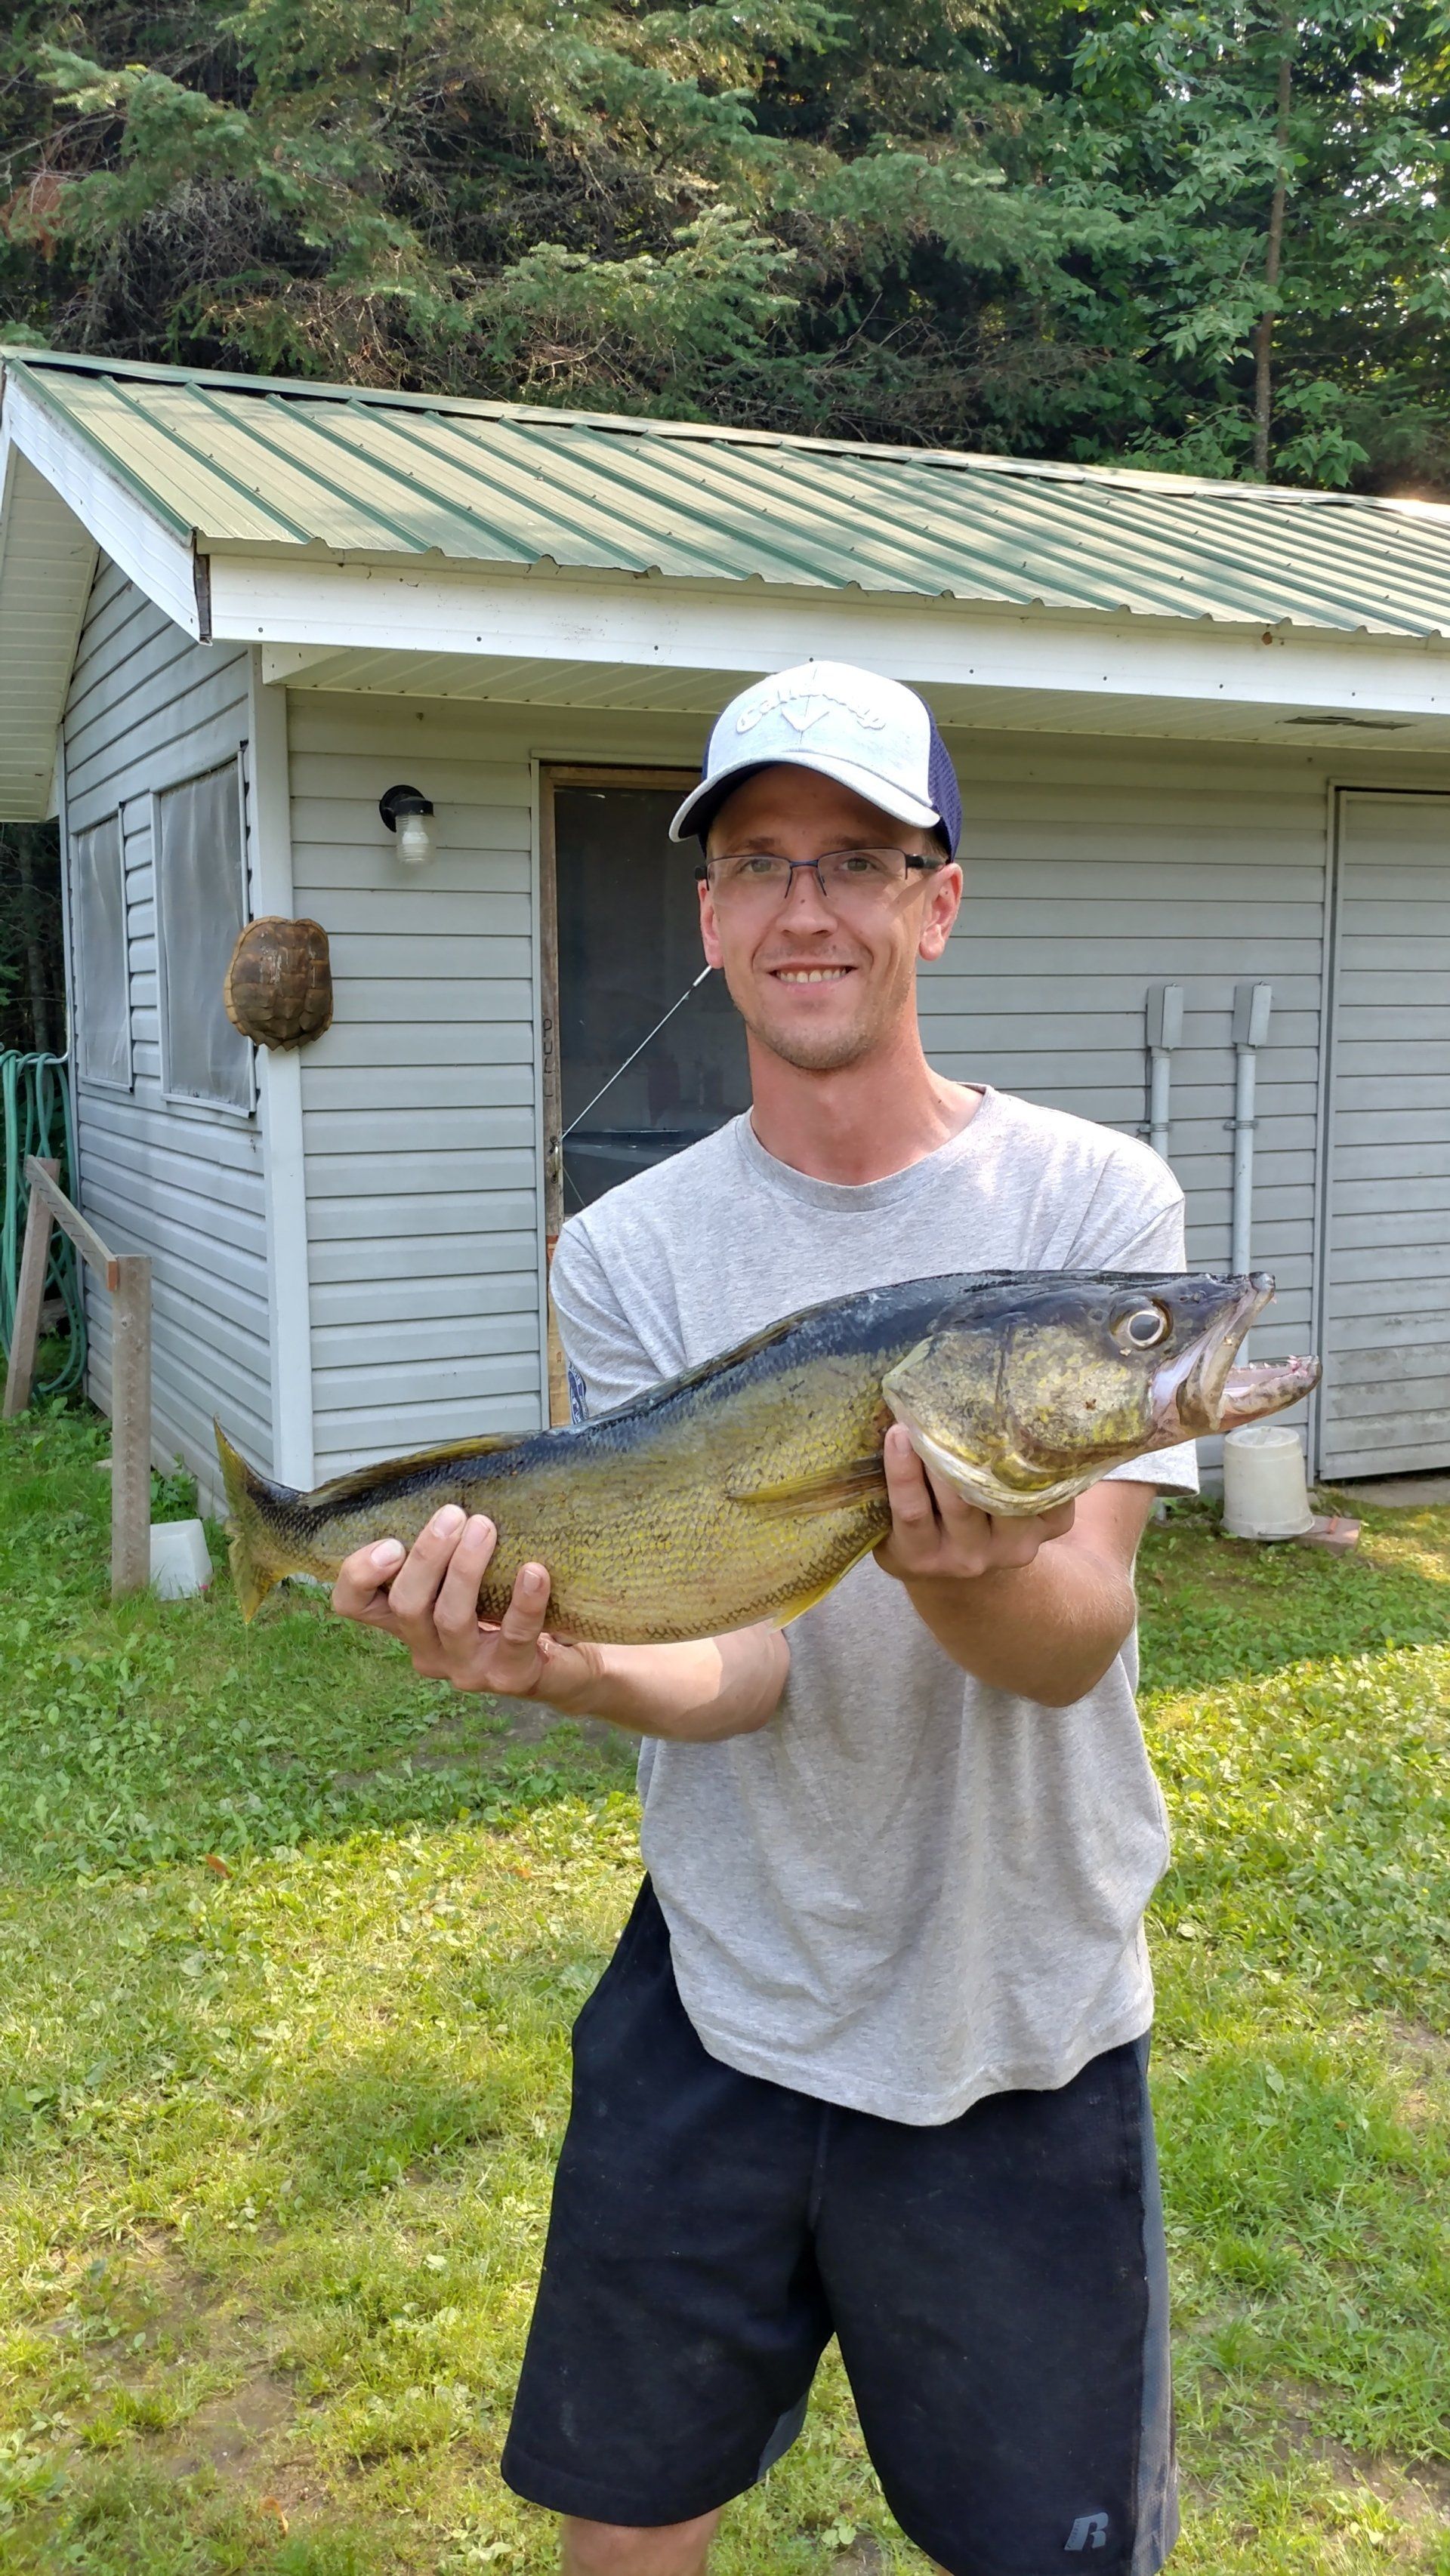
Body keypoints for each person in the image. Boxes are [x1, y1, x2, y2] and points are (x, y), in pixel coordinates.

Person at [331, 661, 1196, 2576]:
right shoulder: (626, 1248)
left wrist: (967, 1566)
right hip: (719, 1987)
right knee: (624, 2520)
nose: (808, 905)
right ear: (711, 912)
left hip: (1016, 2007)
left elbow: (1074, 1642)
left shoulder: (1095, 1207)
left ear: (937, 901)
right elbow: (738, 1659)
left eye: (862, 858)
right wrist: (559, 1654)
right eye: (758, 860)